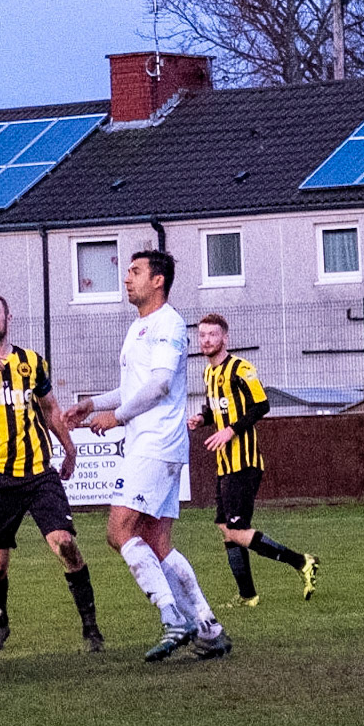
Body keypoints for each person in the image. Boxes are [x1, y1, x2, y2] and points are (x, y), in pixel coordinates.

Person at [64, 250, 231, 662]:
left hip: (157, 442)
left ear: (158, 280)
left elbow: (158, 386)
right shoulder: (139, 327)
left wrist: (116, 417)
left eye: (135, 272)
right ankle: (209, 629)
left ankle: (174, 618)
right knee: (155, 542)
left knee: (118, 532)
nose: (126, 279)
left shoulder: (170, 324)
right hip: (149, 442)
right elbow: (135, 385)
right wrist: (92, 404)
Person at [0, 293, 99, 652]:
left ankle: (91, 628)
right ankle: (1, 622)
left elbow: (49, 408)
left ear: (8, 317)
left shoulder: (31, 362)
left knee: (66, 544)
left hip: (39, 473)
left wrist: (70, 449)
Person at [188, 313, 318, 606]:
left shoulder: (240, 368)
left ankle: (301, 561)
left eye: (212, 334)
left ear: (225, 338)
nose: (206, 340)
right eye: (202, 335)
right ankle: (248, 595)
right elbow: (216, 409)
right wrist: (201, 418)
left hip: (244, 462)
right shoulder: (209, 374)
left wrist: (230, 431)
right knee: (226, 528)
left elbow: (262, 404)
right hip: (224, 463)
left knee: (236, 529)